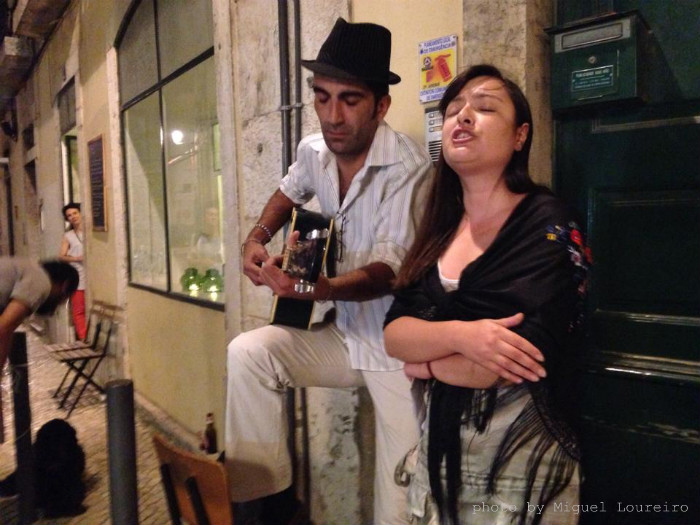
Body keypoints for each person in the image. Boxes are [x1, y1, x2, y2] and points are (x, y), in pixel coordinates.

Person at [227, 18, 433, 525]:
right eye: (321, 97)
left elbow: (388, 271)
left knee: (402, 500)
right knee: (248, 353)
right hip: (342, 338)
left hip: (395, 351)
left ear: (381, 105)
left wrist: (321, 287)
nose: (331, 115)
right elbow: (290, 189)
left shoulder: (411, 169)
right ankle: (267, 506)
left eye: (349, 99)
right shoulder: (314, 151)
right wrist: (256, 238)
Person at [384, 65, 591, 525]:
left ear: (520, 136)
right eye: (454, 110)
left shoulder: (550, 224)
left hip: (522, 469)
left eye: (484, 107)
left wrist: (427, 362)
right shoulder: (439, 226)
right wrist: (463, 334)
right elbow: (395, 334)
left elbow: (506, 364)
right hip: (438, 463)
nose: (463, 117)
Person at [0, 257, 79, 440]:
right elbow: (3, 328)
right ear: (65, 286)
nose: (60, 305)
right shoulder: (40, 283)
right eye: (65, 300)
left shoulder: (28, 269)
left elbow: (7, 330)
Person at [58, 202, 87, 341]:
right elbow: (61, 256)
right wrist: (76, 258)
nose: (72, 217)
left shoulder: (91, 231)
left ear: (81, 213)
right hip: (78, 276)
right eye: (69, 215)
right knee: (79, 310)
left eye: (75, 213)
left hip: (93, 276)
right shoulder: (68, 235)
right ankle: (84, 338)